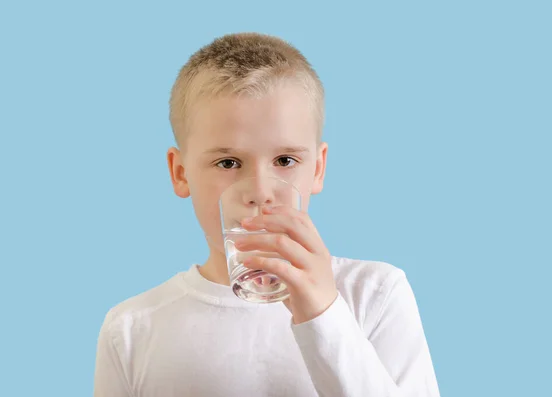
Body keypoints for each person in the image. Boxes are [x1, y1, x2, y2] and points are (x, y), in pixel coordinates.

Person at [92, 32, 440, 397]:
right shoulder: (131, 330)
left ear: (318, 168)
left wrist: (324, 312)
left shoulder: (375, 294)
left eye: (285, 160)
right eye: (228, 162)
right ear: (180, 173)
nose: (259, 191)